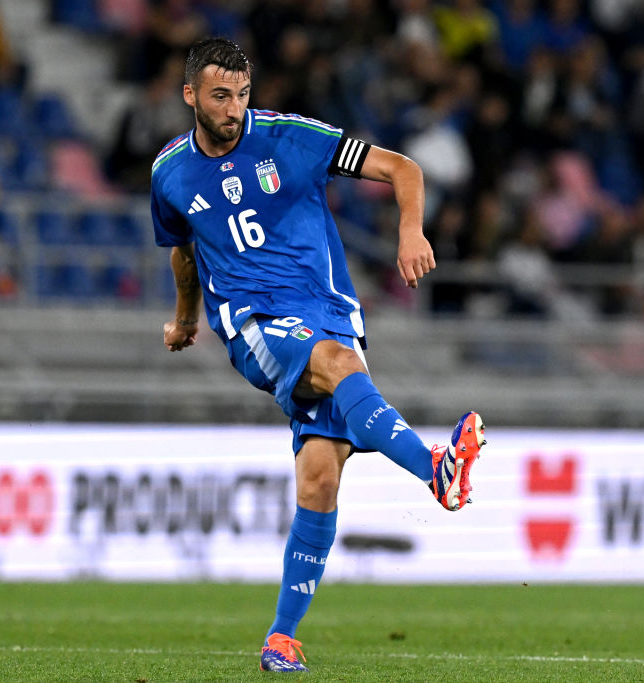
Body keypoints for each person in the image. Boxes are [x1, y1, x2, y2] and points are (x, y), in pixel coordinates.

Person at [150, 37, 485, 674]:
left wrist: (410, 228)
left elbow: (403, 170)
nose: (234, 108)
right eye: (221, 96)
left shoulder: (291, 138)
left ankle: (281, 636)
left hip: (329, 309)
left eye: (243, 95)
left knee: (320, 478)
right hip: (254, 322)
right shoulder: (169, 173)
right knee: (334, 362)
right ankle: (434, 469)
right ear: (190, 94)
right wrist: (188, 320)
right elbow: (184, 249)